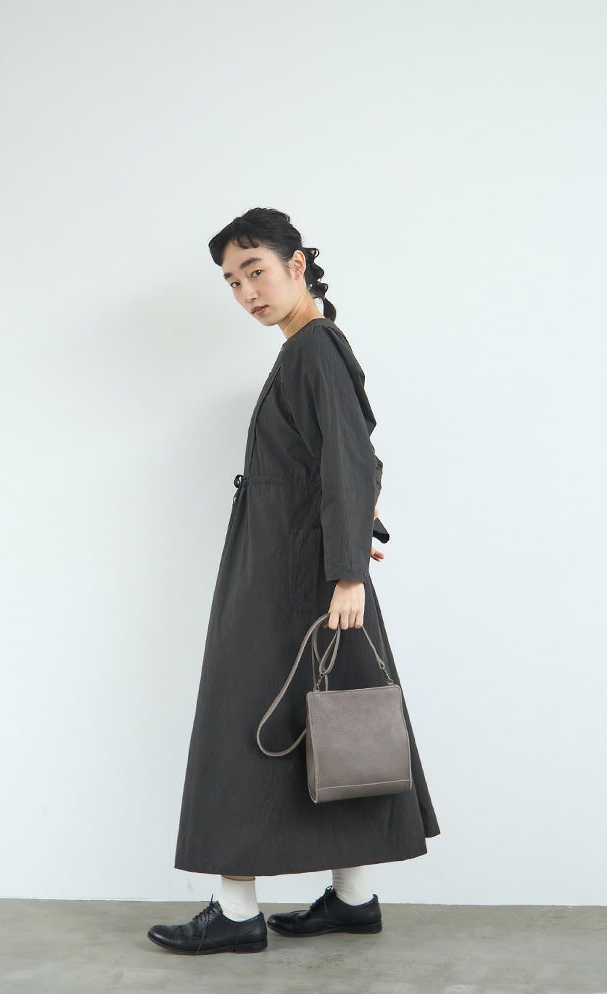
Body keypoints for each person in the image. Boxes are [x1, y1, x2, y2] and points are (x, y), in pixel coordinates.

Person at [147, 207, 440, 956]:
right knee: (330, 725)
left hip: (294, 577)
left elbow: (349, 458)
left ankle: (236, 911)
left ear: (297, 265)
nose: (247, 292)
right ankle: (353, 898)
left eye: (257, 271)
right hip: (293, 565)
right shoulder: (306, 350)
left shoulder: (314, 349)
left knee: (250, 724)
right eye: (232, 281)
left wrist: (347, 573)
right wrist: (353, 533)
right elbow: (347, 461)